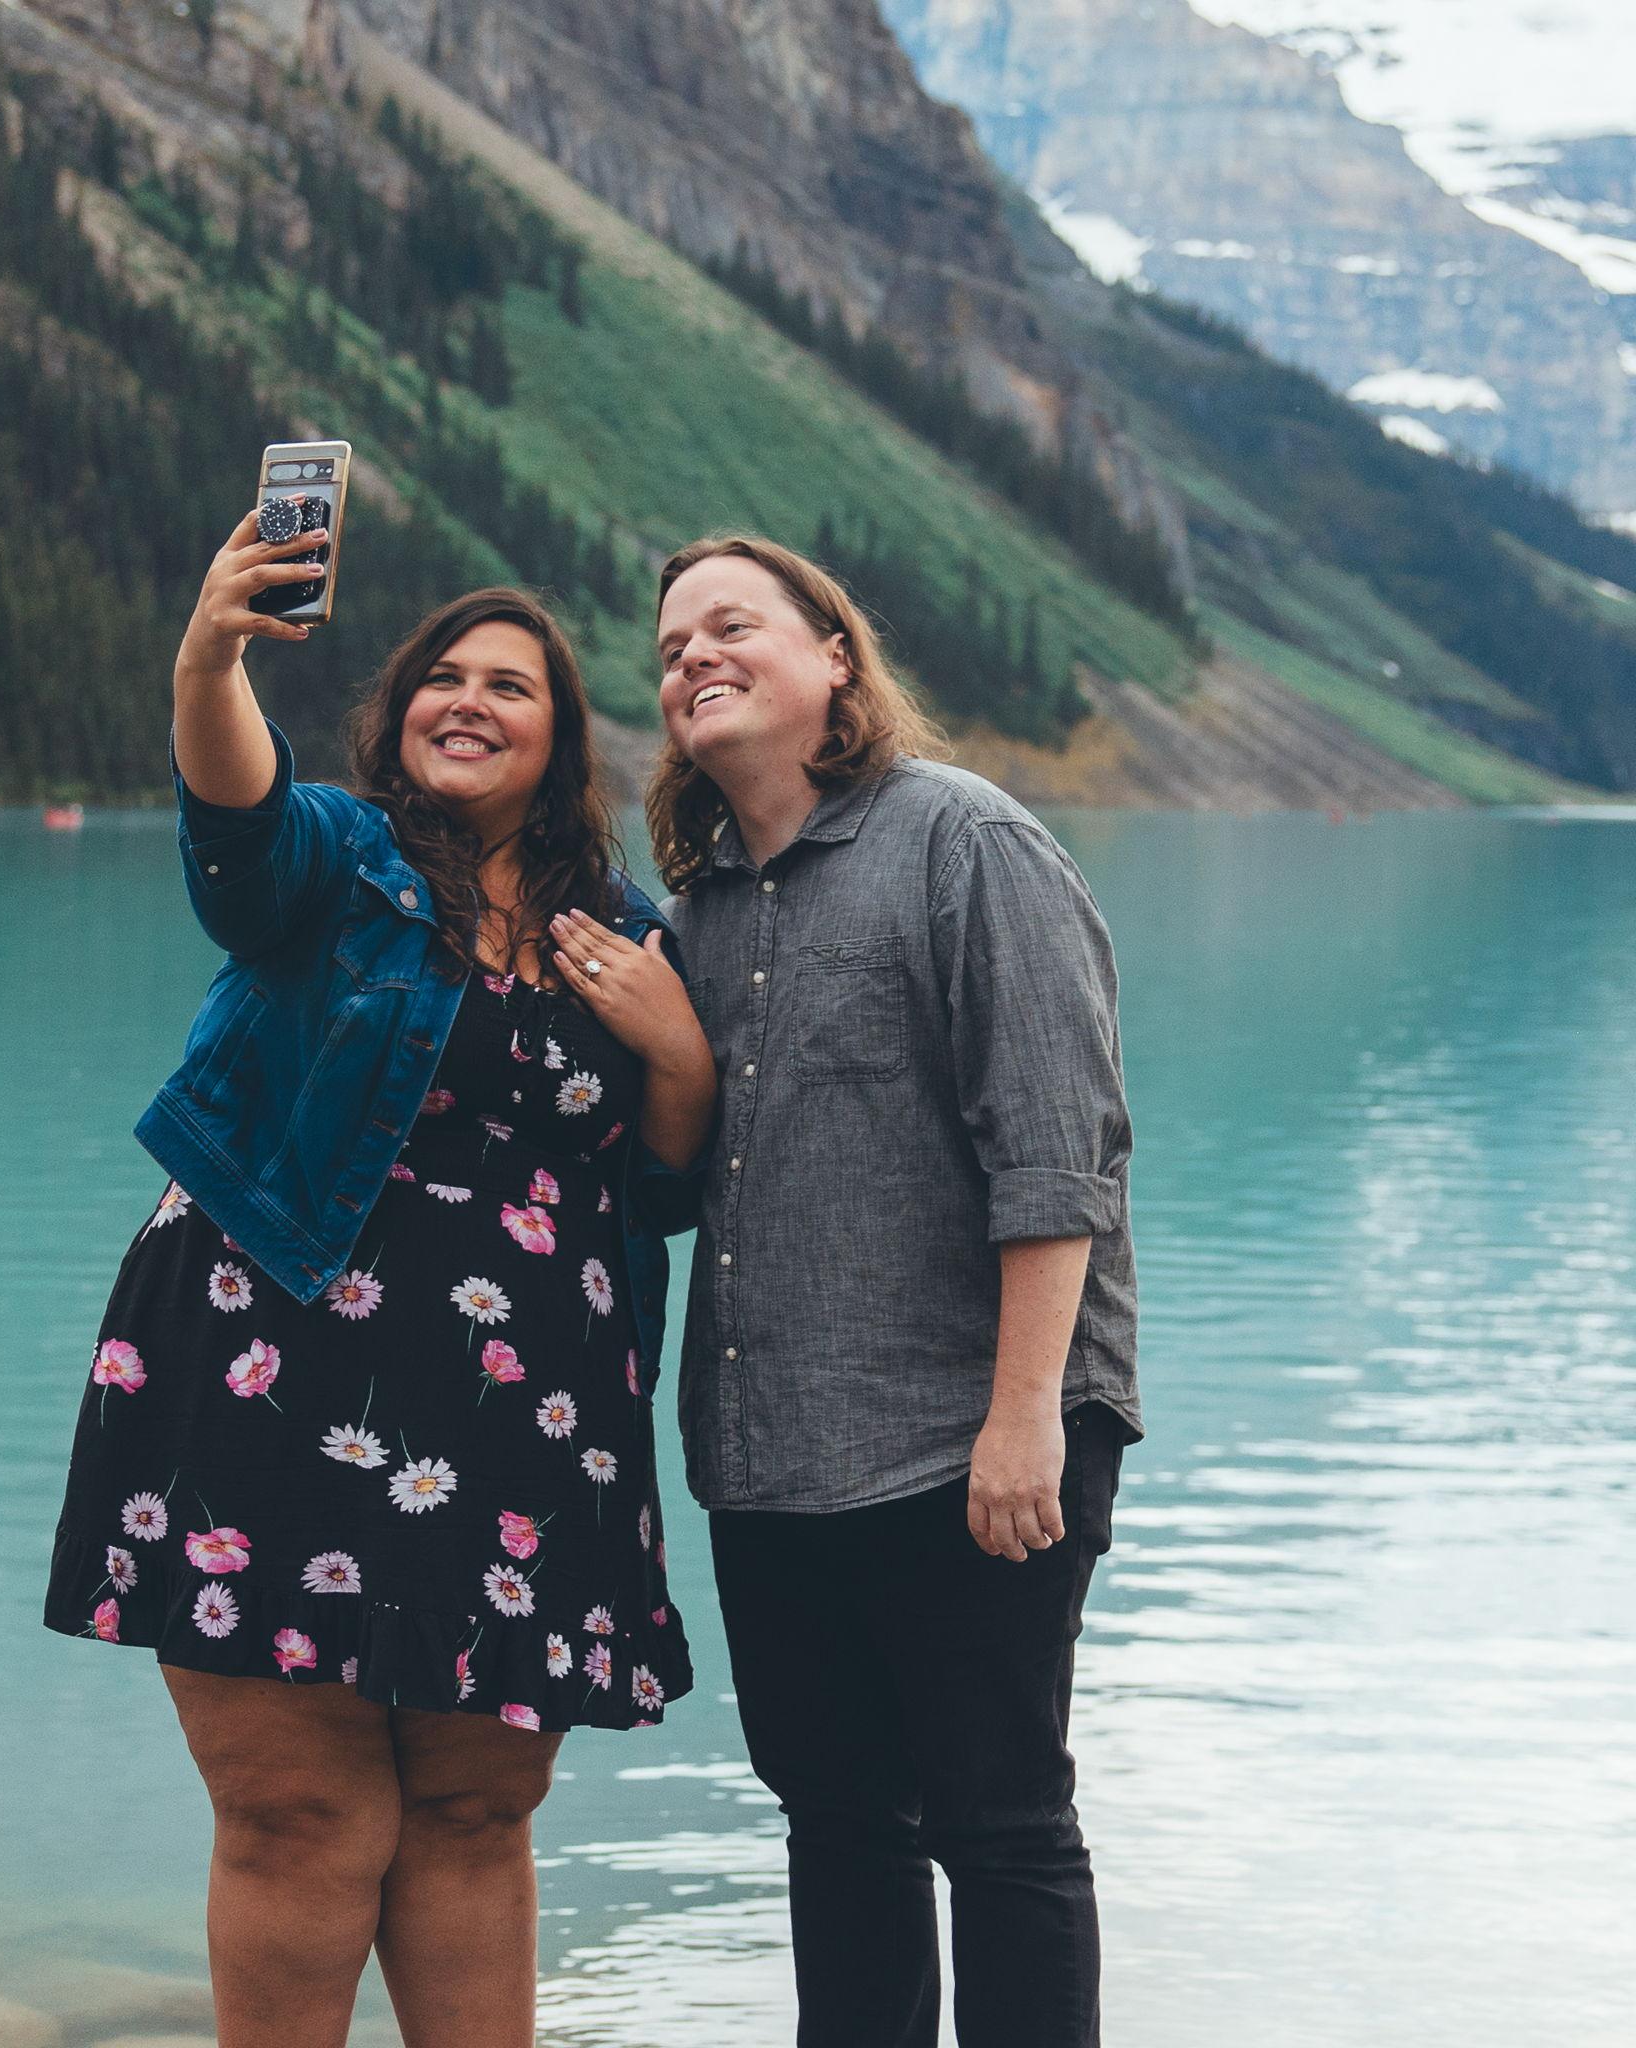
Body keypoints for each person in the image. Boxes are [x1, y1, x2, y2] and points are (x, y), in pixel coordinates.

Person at [44, 508, 715, 2048]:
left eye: (514, 685)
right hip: (273, 1371)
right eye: (444, 678)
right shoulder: (334, 858)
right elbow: (235, 809)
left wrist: (679, 1048)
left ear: (560, 744)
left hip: (530, 1412)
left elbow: (664, 1181)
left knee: (480, 1810)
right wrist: (213, 649)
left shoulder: (623, 931)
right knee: (296, 1808)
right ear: (401, 712)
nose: (471, 699)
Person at [649, 534, 1140, 2048]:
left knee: (1001, 1822)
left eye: (732, 627)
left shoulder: (961, 843)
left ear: (833, 659)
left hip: (967, 1437)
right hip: (776, 1455)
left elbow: (1060, 1155)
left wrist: (1024, 1421)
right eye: (669, 649)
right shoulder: (704, 908)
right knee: (837, 1822)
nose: (691, 661)